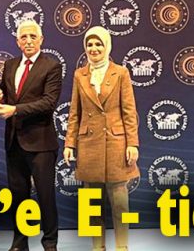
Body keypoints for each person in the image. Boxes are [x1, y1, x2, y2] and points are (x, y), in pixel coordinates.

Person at [63, 26, 139, 251]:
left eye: (98, 44)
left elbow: (129, 111)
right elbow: (74, 113)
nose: (93, 48)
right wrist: (69, 143)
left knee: (120, 203)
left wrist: (132, 143)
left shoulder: (121, 72)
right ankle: (97, 247)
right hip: (89, 145)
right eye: (89, 44)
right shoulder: (79, 74)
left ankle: (122, 247)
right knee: (92, 204)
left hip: (116, 144)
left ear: (107, 46)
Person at [0, 20, 62, 251]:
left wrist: (14, 110)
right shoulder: (10, 65)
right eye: (24, 37)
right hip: (14, 142)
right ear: (17, 41)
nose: (28, 41)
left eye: (33, 36)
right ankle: (20, 243)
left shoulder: (51, 66)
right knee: (19, 197)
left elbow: (48, 103)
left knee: (45, 196)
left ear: (41, 40)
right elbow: (7, 96)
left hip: (41, 143)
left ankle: (49, 243)